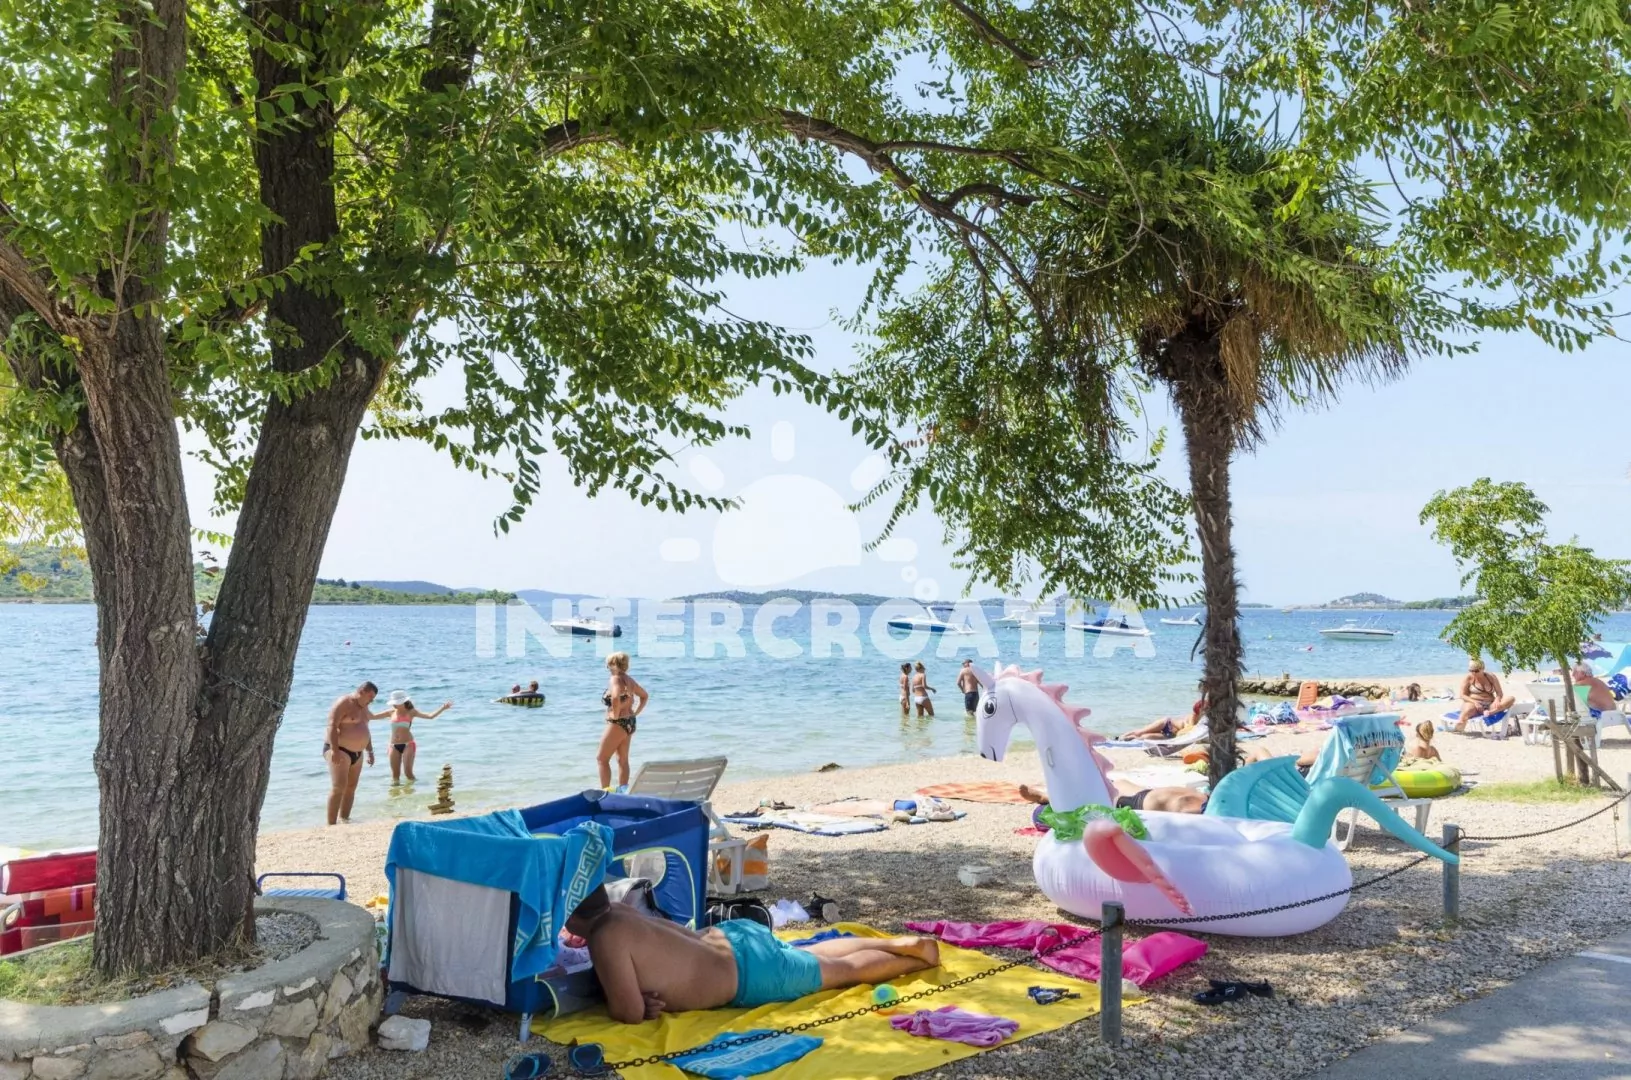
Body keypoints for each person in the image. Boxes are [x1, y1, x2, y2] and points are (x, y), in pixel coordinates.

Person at [566, 886, 938, 1023]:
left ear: (570, 917)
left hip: (746, 972)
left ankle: (911, 956)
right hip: (733, 938)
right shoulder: (620, 911)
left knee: (842, 972)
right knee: (812, 955)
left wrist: (633, 1002)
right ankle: (896, 944)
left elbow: (628, 1012)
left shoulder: (604, 935)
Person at [324, 681, 382, 825]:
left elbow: (365, 730)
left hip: (358, 752)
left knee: (351, 787)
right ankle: (331, 824)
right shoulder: (344, 702)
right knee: (339, 787)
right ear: (362, 691)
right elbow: (332, 726)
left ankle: (345, 820)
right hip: (340, 749)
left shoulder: (364, 707)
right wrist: (335, 750)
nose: (371, 701)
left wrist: (370, 751)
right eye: (370, 697)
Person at [599, 651, 647, 789]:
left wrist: (615, 715)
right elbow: (644, 695)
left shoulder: (615, 679)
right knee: (622, 760)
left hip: (618, 723)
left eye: (608, 665)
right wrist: (636, 712)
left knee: (601, 759)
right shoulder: (629, 680)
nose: (607, 668)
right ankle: (623, 791)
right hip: (630, 721)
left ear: (614, 665)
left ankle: (606, 792)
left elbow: (615, 697)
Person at [384, 691, 452, 784]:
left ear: (403, 702)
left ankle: (415, 790)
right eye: (393, 703)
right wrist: (364, 704)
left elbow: (430, 716)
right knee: (395, 776)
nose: (394, 705)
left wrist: (443, 708)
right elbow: (372, 716)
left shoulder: (412, 712)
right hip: (393, 745)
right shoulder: (390, 712)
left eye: (396, 703)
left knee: (408, 773)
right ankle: (395, 793)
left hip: (408, 744)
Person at [1019, 782, 1207, 815]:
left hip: (1137, 804)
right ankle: (1051, 792)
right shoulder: (1213, 804)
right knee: (1116, 783)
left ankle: (1046, 797)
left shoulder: (1201, 815)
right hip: (1148, 793)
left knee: (1094, 796)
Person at [1456, 659, 1514, 731]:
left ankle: (1490, 713)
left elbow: (1499, 693)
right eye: (1471, 670)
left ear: (1483, 669)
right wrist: (1475, 702)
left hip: (1490, 705)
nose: (1473, 673)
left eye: (1476, 671)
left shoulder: (1491, 677)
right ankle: (1460, 723)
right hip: (1474, 704)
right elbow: (1462, 695)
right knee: (1468, 709)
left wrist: (1497, 699)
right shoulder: (1469, 678)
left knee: (1511, 698)